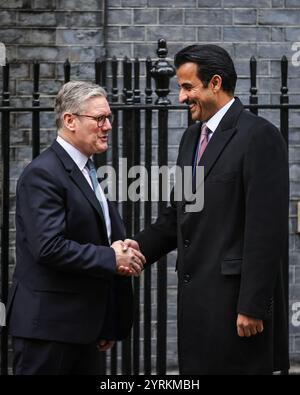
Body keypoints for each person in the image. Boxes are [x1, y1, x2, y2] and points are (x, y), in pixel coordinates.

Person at [128, 45, 290, 374]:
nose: (181, 97)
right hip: (197, 305)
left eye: (188, 87)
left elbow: (266, 230)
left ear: (215, 83)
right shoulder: (190, 139)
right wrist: (134, 249)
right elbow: (177, 216)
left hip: (237, 311)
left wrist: (252, 306)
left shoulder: (260, 137)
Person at [6, 81, 145, 375]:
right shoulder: (43, 174)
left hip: (84, 329)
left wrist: (120, 247)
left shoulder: (86, 170)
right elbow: (49, 247)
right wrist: (111, 257)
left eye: (109, 118)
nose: (107, 126)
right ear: (70, 120)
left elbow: (92, 235)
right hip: (49, 331)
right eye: (99, 119)